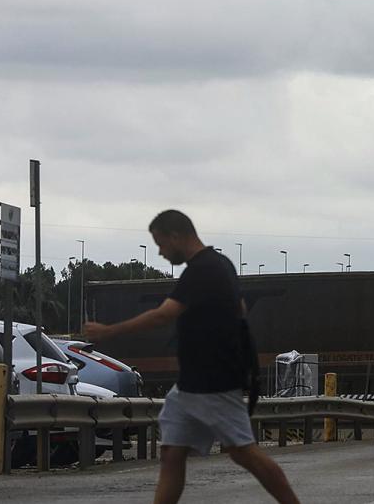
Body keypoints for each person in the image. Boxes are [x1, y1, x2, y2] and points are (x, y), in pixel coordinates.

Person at [84, 209, 299, 504]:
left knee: (242, 452)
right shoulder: (220, 263)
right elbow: (241, 311)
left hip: (213, 382)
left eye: (160, 244)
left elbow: (163, 315)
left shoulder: (203, 269)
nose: (159, 252)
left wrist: (109, 331)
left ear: (176, 236)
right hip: (191, 385)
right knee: (172, 453)